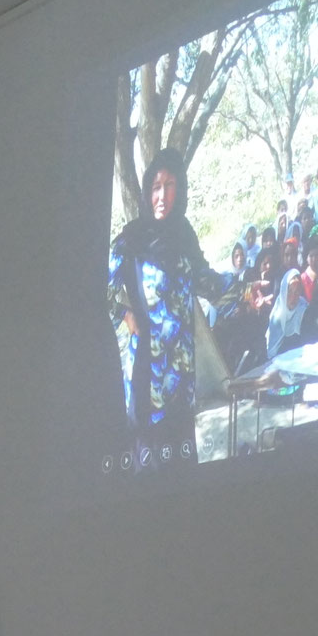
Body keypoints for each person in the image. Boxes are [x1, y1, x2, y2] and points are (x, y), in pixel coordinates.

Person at [108, 148, 215, 470]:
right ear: (146, 191)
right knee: (150, 460)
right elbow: (100, 286)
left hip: (181, 372)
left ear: (179, 190)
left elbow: (205, 280)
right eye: (156, 187)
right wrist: (125, 314)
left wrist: (244, 290)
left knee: (181, 458)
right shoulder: (131, 240)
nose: (162, 196)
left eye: (170, 186)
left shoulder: (184, 234)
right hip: (148, 370)